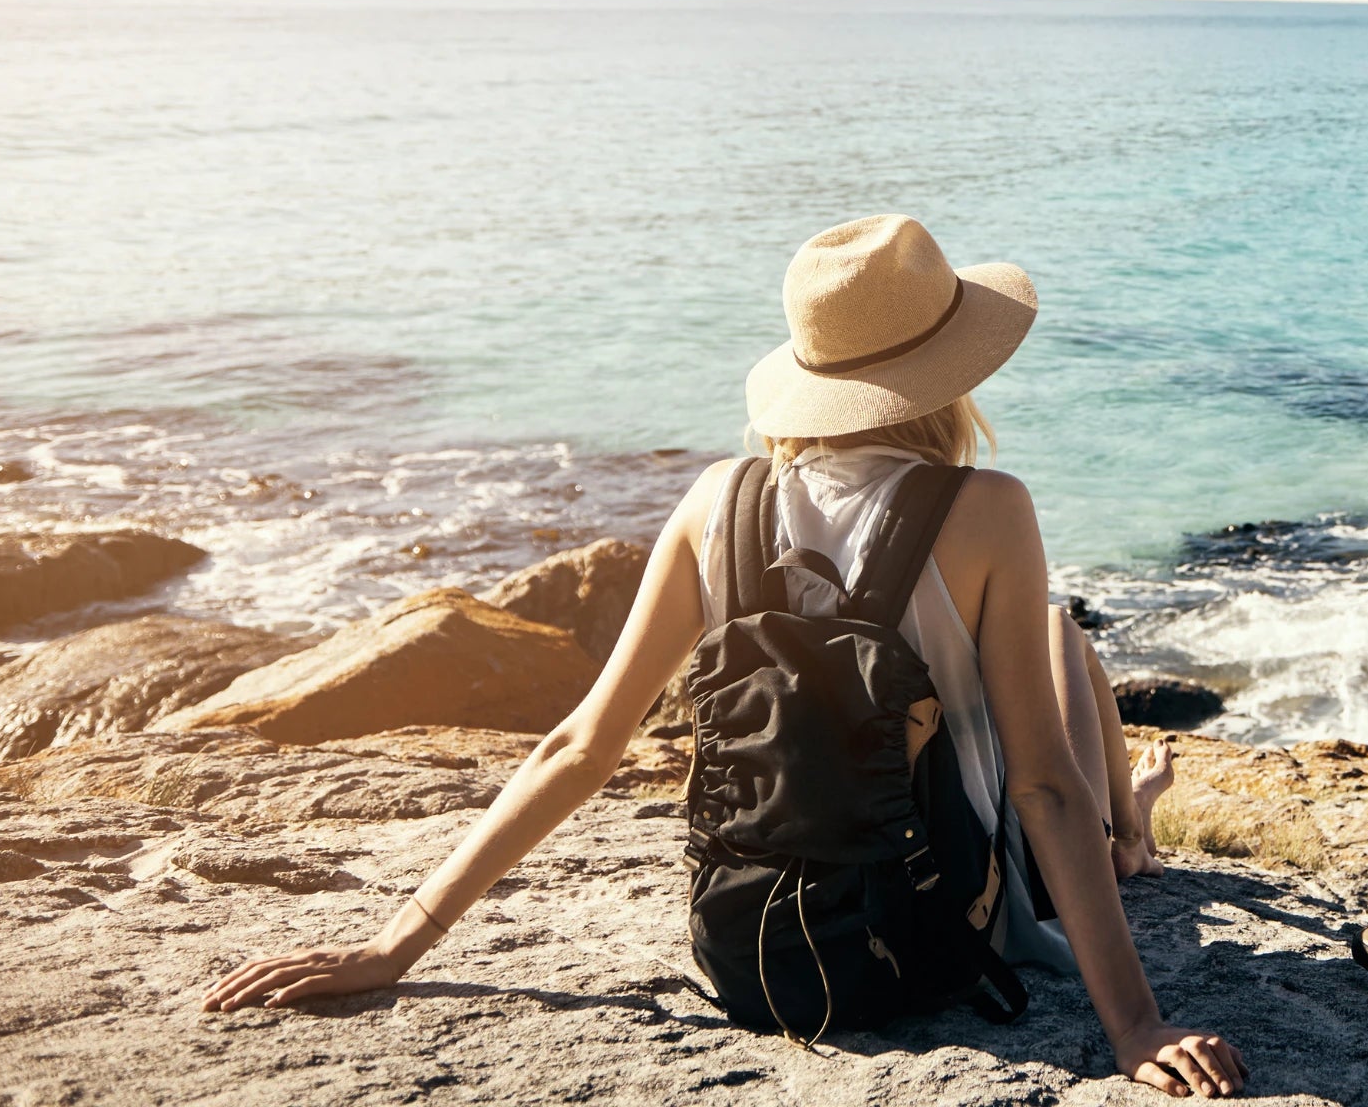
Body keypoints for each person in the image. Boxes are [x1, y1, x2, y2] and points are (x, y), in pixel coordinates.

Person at [204, 216, 1247, 1099]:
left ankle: (1135, 832)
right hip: (928, 943)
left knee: (1050, 658)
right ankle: (1135, 838)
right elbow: (1043, 786)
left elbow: (581, 743)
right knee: (1062, 641)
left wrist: (398, 944)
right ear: (947, 377)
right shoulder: (987, 509)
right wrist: (1133, 1030)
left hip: (747, 953)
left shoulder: (718, 499)